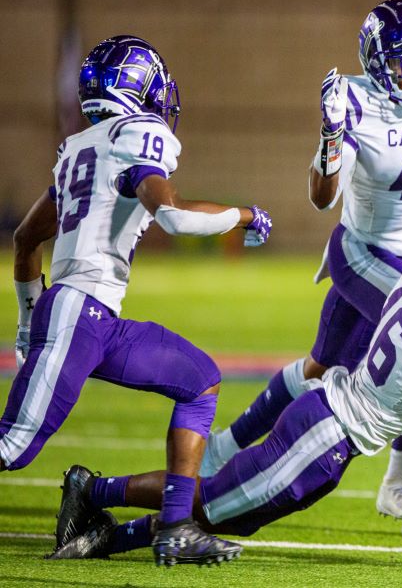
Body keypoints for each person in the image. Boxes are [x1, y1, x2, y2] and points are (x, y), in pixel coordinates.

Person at [46, 227, 402, 568]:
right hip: (326, 435)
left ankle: (105, 526)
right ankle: (93, 496)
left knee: (231, 512)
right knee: (212, 505)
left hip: (329, 428)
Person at [1, 35, 273, 566]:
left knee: (200, 380)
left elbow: (25, 239)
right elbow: (175, 216)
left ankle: (176, 529)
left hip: (95, 319)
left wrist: (28, 319)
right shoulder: (138, 135)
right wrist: (245, 215)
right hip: (80, 311)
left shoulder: (81, 147)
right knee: (12, 447)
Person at [197, 0, 402, 520]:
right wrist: (330, 136)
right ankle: (397, 481)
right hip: (362, 250)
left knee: (319, 366)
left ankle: (222, 447)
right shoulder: (354, 99)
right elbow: (323, 198)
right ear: (375, 63)